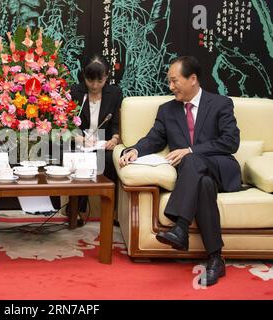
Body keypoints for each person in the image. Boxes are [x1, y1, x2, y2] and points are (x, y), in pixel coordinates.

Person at [119, 56, 241, 286]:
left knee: (192, 159)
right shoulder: (167, 110)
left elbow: (230, 142)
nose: (170, 86)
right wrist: (135, 149)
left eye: (175, 81)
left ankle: (180, 226)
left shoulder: (220, 104)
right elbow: (154, 139)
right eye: (169, 81)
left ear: (192, 79)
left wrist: (190, 149)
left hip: (220, 168)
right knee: (202, 183)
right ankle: (216, 259)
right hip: (199, 178)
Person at [70, 54, 123, 217]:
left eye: (100, 81)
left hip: (103, 142)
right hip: (81, 142)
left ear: (106, 76)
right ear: (84, 77)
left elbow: (115, 122)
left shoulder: (114, 93)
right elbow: (67, 123)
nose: (94, 85)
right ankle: (76, 210)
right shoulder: (75, 92)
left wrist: (114, 139)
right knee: (79, 159)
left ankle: (111, 211)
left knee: (109, 159)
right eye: (90, 80)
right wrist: (77, 137)